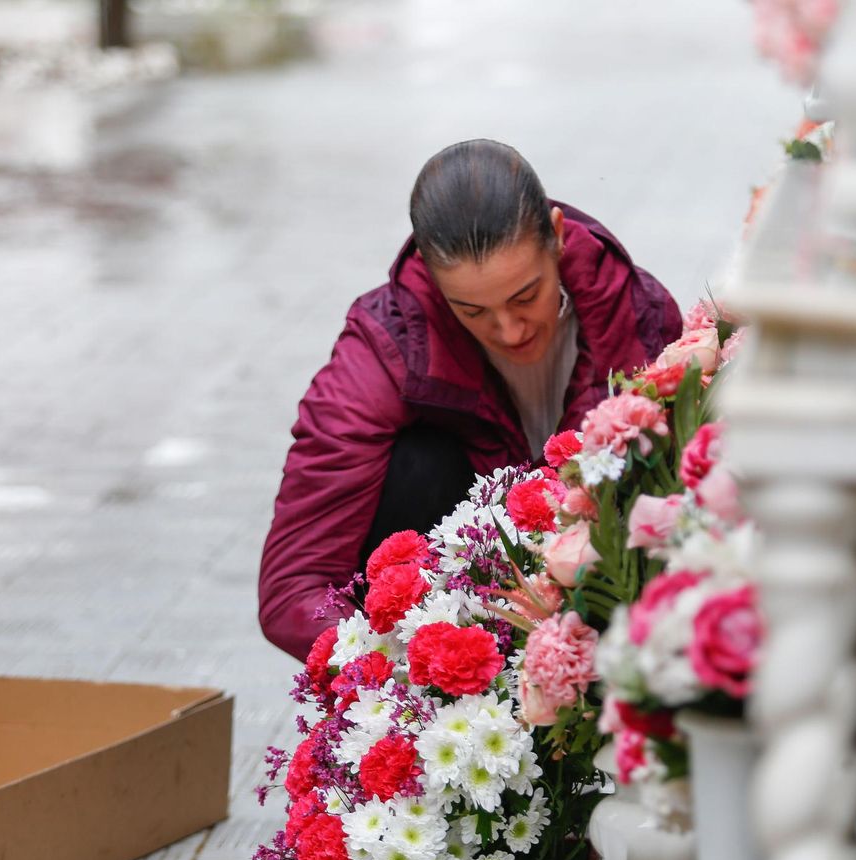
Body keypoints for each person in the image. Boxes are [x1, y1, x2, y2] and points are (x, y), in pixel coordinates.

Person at [259, 139, 683, 660]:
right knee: (417, 463)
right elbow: (295, 587)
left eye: (526, 296)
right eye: (472, 311)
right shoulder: (387, 347)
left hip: (597, 595)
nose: (508, 330)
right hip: (443, 620)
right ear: (436, 285)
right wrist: (399, 670)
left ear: (555, 237)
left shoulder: (636, 316)